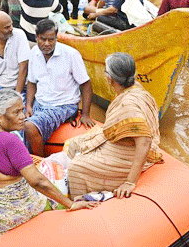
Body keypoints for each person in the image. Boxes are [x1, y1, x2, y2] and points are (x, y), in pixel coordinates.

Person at [0, 89, 97, 247]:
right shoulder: (11, 141)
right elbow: (38, 182)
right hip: (8, 211)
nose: (23, 116)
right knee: (60, 194)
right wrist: (70, 204)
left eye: (22, 110)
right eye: (16, 112)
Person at [65, 52, 164, 198]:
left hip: (128, 152)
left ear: (109, 79)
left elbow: (144, 141)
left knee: (75, 168)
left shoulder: (129, 104)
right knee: (73, 144)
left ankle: (81, 202)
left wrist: (130, 182)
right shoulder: (134, 88)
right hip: (121, 142)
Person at [25, 19, 93, 156]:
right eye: (42, 39)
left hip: (63, 105)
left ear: (56, 38)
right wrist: (28, 106)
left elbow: (86, 84)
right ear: (36, 37)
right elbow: (32, 83)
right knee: (12, 120)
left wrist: (85, 114)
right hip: (41, 102)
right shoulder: (33, 53)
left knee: (30, 127)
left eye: (51, 39)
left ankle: (40, 162)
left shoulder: (71, 54)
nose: (47, 43)